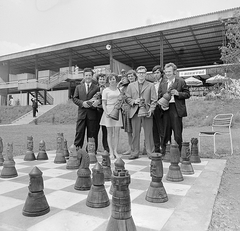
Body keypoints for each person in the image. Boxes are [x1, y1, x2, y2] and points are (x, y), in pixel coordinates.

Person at [125, 66, 157, 159]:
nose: (141, 74)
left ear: (146, 74)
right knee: (135, 133)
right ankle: (135, 152)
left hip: (147, 112)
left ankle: (150, 152)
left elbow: (154, 100)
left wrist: (151, 109)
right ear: (137, 74)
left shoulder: (151, 85)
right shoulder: (131, 86)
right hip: (135, 111)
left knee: (149, 133)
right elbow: (127, 98)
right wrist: (134, 101)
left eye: (143, 73)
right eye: (139, 73)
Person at [158, 62, 190, 153]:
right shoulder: (163, 83)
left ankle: (179, 152)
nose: (167, 73)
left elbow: (188, 94)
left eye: (169, 71)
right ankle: (165, 152)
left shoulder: (181, 81)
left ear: (174, 71)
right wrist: (162, 106)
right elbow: (159, 96)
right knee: (165, 131)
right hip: (166, 109)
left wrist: (178, 93)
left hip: (176, 108)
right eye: (166, 72)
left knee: (177, 132)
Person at [72, 68, 100, 151]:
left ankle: (91, 151)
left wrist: (96, 102)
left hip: (92, 114)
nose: (88, 77)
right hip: (82, 114)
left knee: (92, 133)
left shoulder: (96, 88)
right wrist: (82, 103)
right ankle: (77, 150)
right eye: (86, 75)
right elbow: (75, 98)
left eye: (90, 75)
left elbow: (99, 99)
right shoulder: (78, 87)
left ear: (92, 76)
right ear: (83, 76)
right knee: (79, 132)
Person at [100, 73, 123, 159]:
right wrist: (106, 112)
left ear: (116, 80)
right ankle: (111, 152)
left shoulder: (119, 90)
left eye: (113, 79)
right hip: (108, 110)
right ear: (108, 81)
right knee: (109, 133)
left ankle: (116, 151)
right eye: (110, 79)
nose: (112, 80)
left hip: (117, 111)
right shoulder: (105, 90)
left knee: (117, 132)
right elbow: (103, 102)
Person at [120, 70, 137, 155]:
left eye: (132, 76)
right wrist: (123, 106)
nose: (130, 78)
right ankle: (130, 148)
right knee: (129, 131)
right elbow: (121, 99)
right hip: (127, 111)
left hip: (136, 110)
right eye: (129, 76)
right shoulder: (124, 88)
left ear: (135, 76)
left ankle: (136, 149)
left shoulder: (138, 85)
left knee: (137, 130)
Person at [152, 65, 165, 153]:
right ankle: (157, 148)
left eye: (157, 73)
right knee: (154, 129)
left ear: (161, 73)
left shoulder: (165, 82)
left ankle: (164, 148)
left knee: (162, 129)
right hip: (153, 108)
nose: (156, 75)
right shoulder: (153, 84)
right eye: (154, 73)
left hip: (162, 108)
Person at [96, 73, 109, 153]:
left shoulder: (108, 89)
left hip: (105, 111)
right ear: (98, 80)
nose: (102, 81)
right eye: (100, 79)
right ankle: (94, 148)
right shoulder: (94, 88)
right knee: (95, 130)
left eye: (103, 79)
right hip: (96, 111)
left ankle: (106, 148)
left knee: (105, 130)